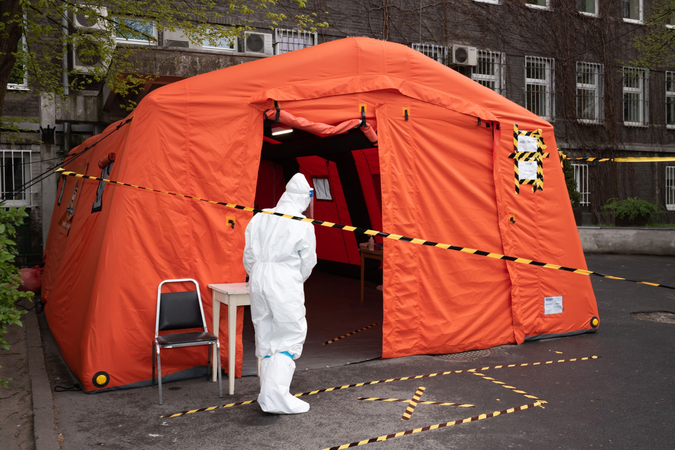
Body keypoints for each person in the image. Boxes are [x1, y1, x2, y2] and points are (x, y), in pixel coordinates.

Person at [243, 173, 317, 414]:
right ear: (305, 197)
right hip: (284, 280)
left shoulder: (260, 216)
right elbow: (308, 262)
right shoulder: (302, 223)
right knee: (290, 334)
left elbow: (247, 256)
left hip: (258, 276)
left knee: (264, 332)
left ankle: (267, 392)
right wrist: (293, 279)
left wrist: (257, 275)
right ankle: (275, 398)